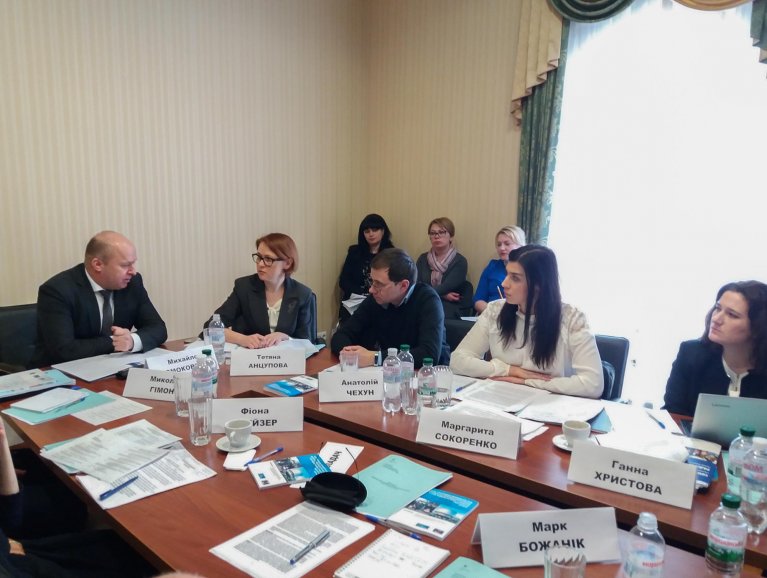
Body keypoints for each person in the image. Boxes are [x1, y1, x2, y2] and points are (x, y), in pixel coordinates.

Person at [0, 421, 156, 577]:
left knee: (125, 546)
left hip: (13, 553)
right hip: (19, 563)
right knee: (143, 554)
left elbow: (10, 519)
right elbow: (12, 522)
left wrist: (3, 445)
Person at [450, 245, 603, 398]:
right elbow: (457, 360)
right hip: (502, 399)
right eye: (507, 274)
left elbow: (593, 385)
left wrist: (527, 382)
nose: (504, 284)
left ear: (539, 285)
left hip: (550, 404)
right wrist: (508, 370)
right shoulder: (495, 311)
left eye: (515, 278)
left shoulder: (572, 319)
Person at [32, 231, 167, 368]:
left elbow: (158, 328)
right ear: (97, 264)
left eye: (133, 264)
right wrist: (115, 342)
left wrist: (132, 341)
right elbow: (64, 350)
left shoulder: (132, 283)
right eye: (125, 265)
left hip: (113, 367)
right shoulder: (57, 290)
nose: (133, 271)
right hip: (60, 372)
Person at [663, 281, 767, 417]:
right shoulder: (691, 354)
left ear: (758, 327)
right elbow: (673, 413)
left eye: (732, 315)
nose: (717, 319)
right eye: (718, 308)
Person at [331, 248, 449, 367]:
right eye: (372, 281)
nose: (371, 289)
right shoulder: (376, 299)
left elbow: (428, 355)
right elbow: (342, 335)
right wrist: (350, 354)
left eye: (379, 284)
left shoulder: (428, 300)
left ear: (403, 286)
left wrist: (375, 358)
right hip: (389, 372)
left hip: (429, 374)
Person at [205, 233, 313, 348]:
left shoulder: (302, 294)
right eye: (259, 257)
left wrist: (285, 337)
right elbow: (210, 328)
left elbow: (307, 342)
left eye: (268, 259)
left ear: (287, 263)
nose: (260, 264)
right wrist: (242, 339)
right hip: (250, 356)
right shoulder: (244, 287)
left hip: (286, 358)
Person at [338, 214, 394, 322]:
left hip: (381, 301)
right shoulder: (354, 252)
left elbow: (392, 283)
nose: (371, 234)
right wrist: (361, 295)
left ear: (383, 231)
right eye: (367, 231)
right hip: (355, 301)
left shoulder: (391, 254)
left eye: (375, 230)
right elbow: (344, 281)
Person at [415, 217, 470, 319]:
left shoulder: (460, 261)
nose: (437, 236)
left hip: (449, 307)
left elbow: (447, 287)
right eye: (433, 233)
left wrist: (429, 293)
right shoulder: (422, 259)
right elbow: (417, 286)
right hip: (424, 302)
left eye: (442, 232)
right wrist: (444, 295)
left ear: (451, 237)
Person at [473, 226, 526, 314]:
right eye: (499, 244)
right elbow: (478, 300)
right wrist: (494, 313)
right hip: (491, 315)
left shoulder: (528, 270)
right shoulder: (492, 266)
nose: (501, 248)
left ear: (520, 246)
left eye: (507, 244)